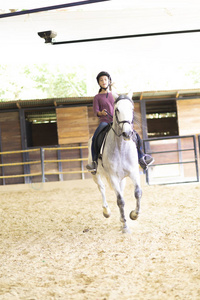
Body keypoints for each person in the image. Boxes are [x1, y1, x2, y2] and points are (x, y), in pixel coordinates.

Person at [86, 71, 154, 173]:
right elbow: (96, 111)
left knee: (136, 135)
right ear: (99, 83)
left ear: (109, 81)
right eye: (101, 80)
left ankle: (142, 157)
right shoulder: (97, 97)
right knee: (95, 137)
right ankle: (94, 162)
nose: (103, 81)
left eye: (105, 79)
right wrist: (101, 113)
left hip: (117, 122)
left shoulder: (115, 95)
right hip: (105, 121)